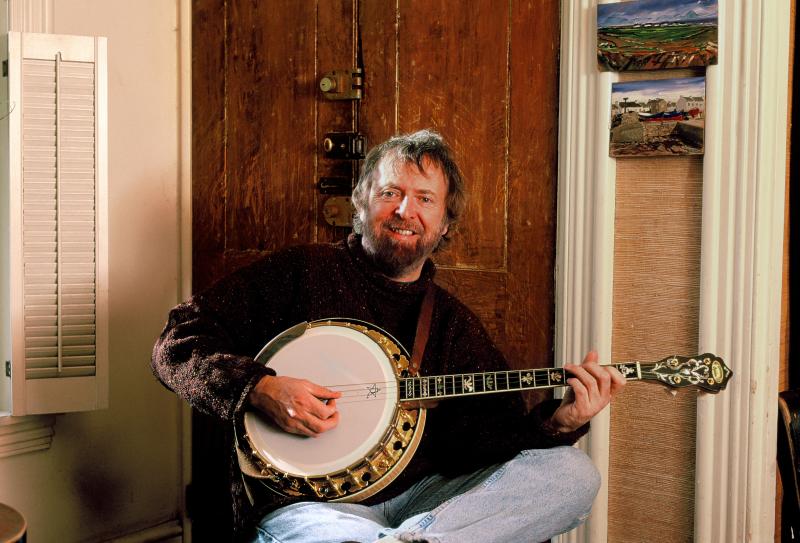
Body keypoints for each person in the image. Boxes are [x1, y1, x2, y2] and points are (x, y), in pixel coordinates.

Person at [152, 129, 625, 543]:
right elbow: (175, 345)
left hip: (426, 503)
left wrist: (556, 424)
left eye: (424, 198)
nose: (405, 210)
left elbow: (488, 441)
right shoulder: (298, 273)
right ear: (362, 201)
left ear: (444, 223)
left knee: (571, 476)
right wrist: (258, 387)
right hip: (311, 510)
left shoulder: (452, 324)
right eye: (390, 192)